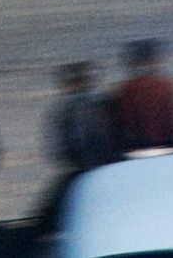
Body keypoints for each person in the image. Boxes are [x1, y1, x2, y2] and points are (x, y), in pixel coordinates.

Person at [35, 61, 113, 234]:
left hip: (77, 170)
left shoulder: (64, 106)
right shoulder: (102, 102)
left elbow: (59, 145)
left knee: (52, 218)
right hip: (102, 169)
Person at [110, 39, 173, 157]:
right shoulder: (169, 86)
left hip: (136, 149)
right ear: (154, 60)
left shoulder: (124, 90)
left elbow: (122, 124)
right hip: (170, 146)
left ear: (133, 62)